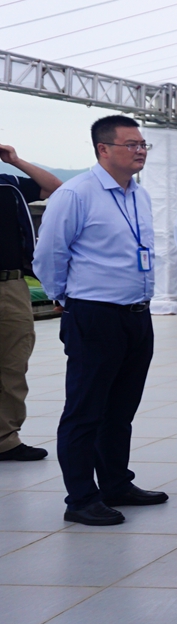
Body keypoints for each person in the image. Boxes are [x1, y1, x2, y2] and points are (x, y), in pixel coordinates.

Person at [33, 116, 166, 526]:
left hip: (137, 314)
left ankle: (115, 483)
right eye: (131, 145)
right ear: (103, 149)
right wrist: (66, 299)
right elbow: (49, 255)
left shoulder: (138, 194)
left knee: (121, 408)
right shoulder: (76, 194)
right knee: (85, 409)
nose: (140, 151)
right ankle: (80, 498)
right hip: (95, 314)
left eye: (143, 145)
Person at [0, 143, 61, 462]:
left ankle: (5, 439)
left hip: (10, 284)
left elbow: (55, 188)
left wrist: (15, 160)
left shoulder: (8, 184)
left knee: (13, 362)